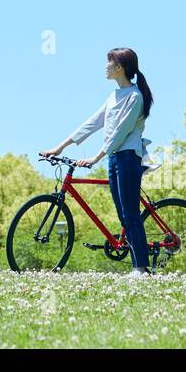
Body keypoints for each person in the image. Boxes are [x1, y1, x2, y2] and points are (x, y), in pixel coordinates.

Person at [41, 47, 154, 274]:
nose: (105, 67)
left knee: (131, 213)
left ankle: (141, 268)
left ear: (119, 67)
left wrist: (96, 157)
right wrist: (59, 146)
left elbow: (121, 132)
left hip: (129, 158)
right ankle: (138, 264)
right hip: (113, 158)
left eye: (109, 62)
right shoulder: (113, 96)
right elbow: (92, 123)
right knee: (124, 215)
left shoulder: (135, 97)